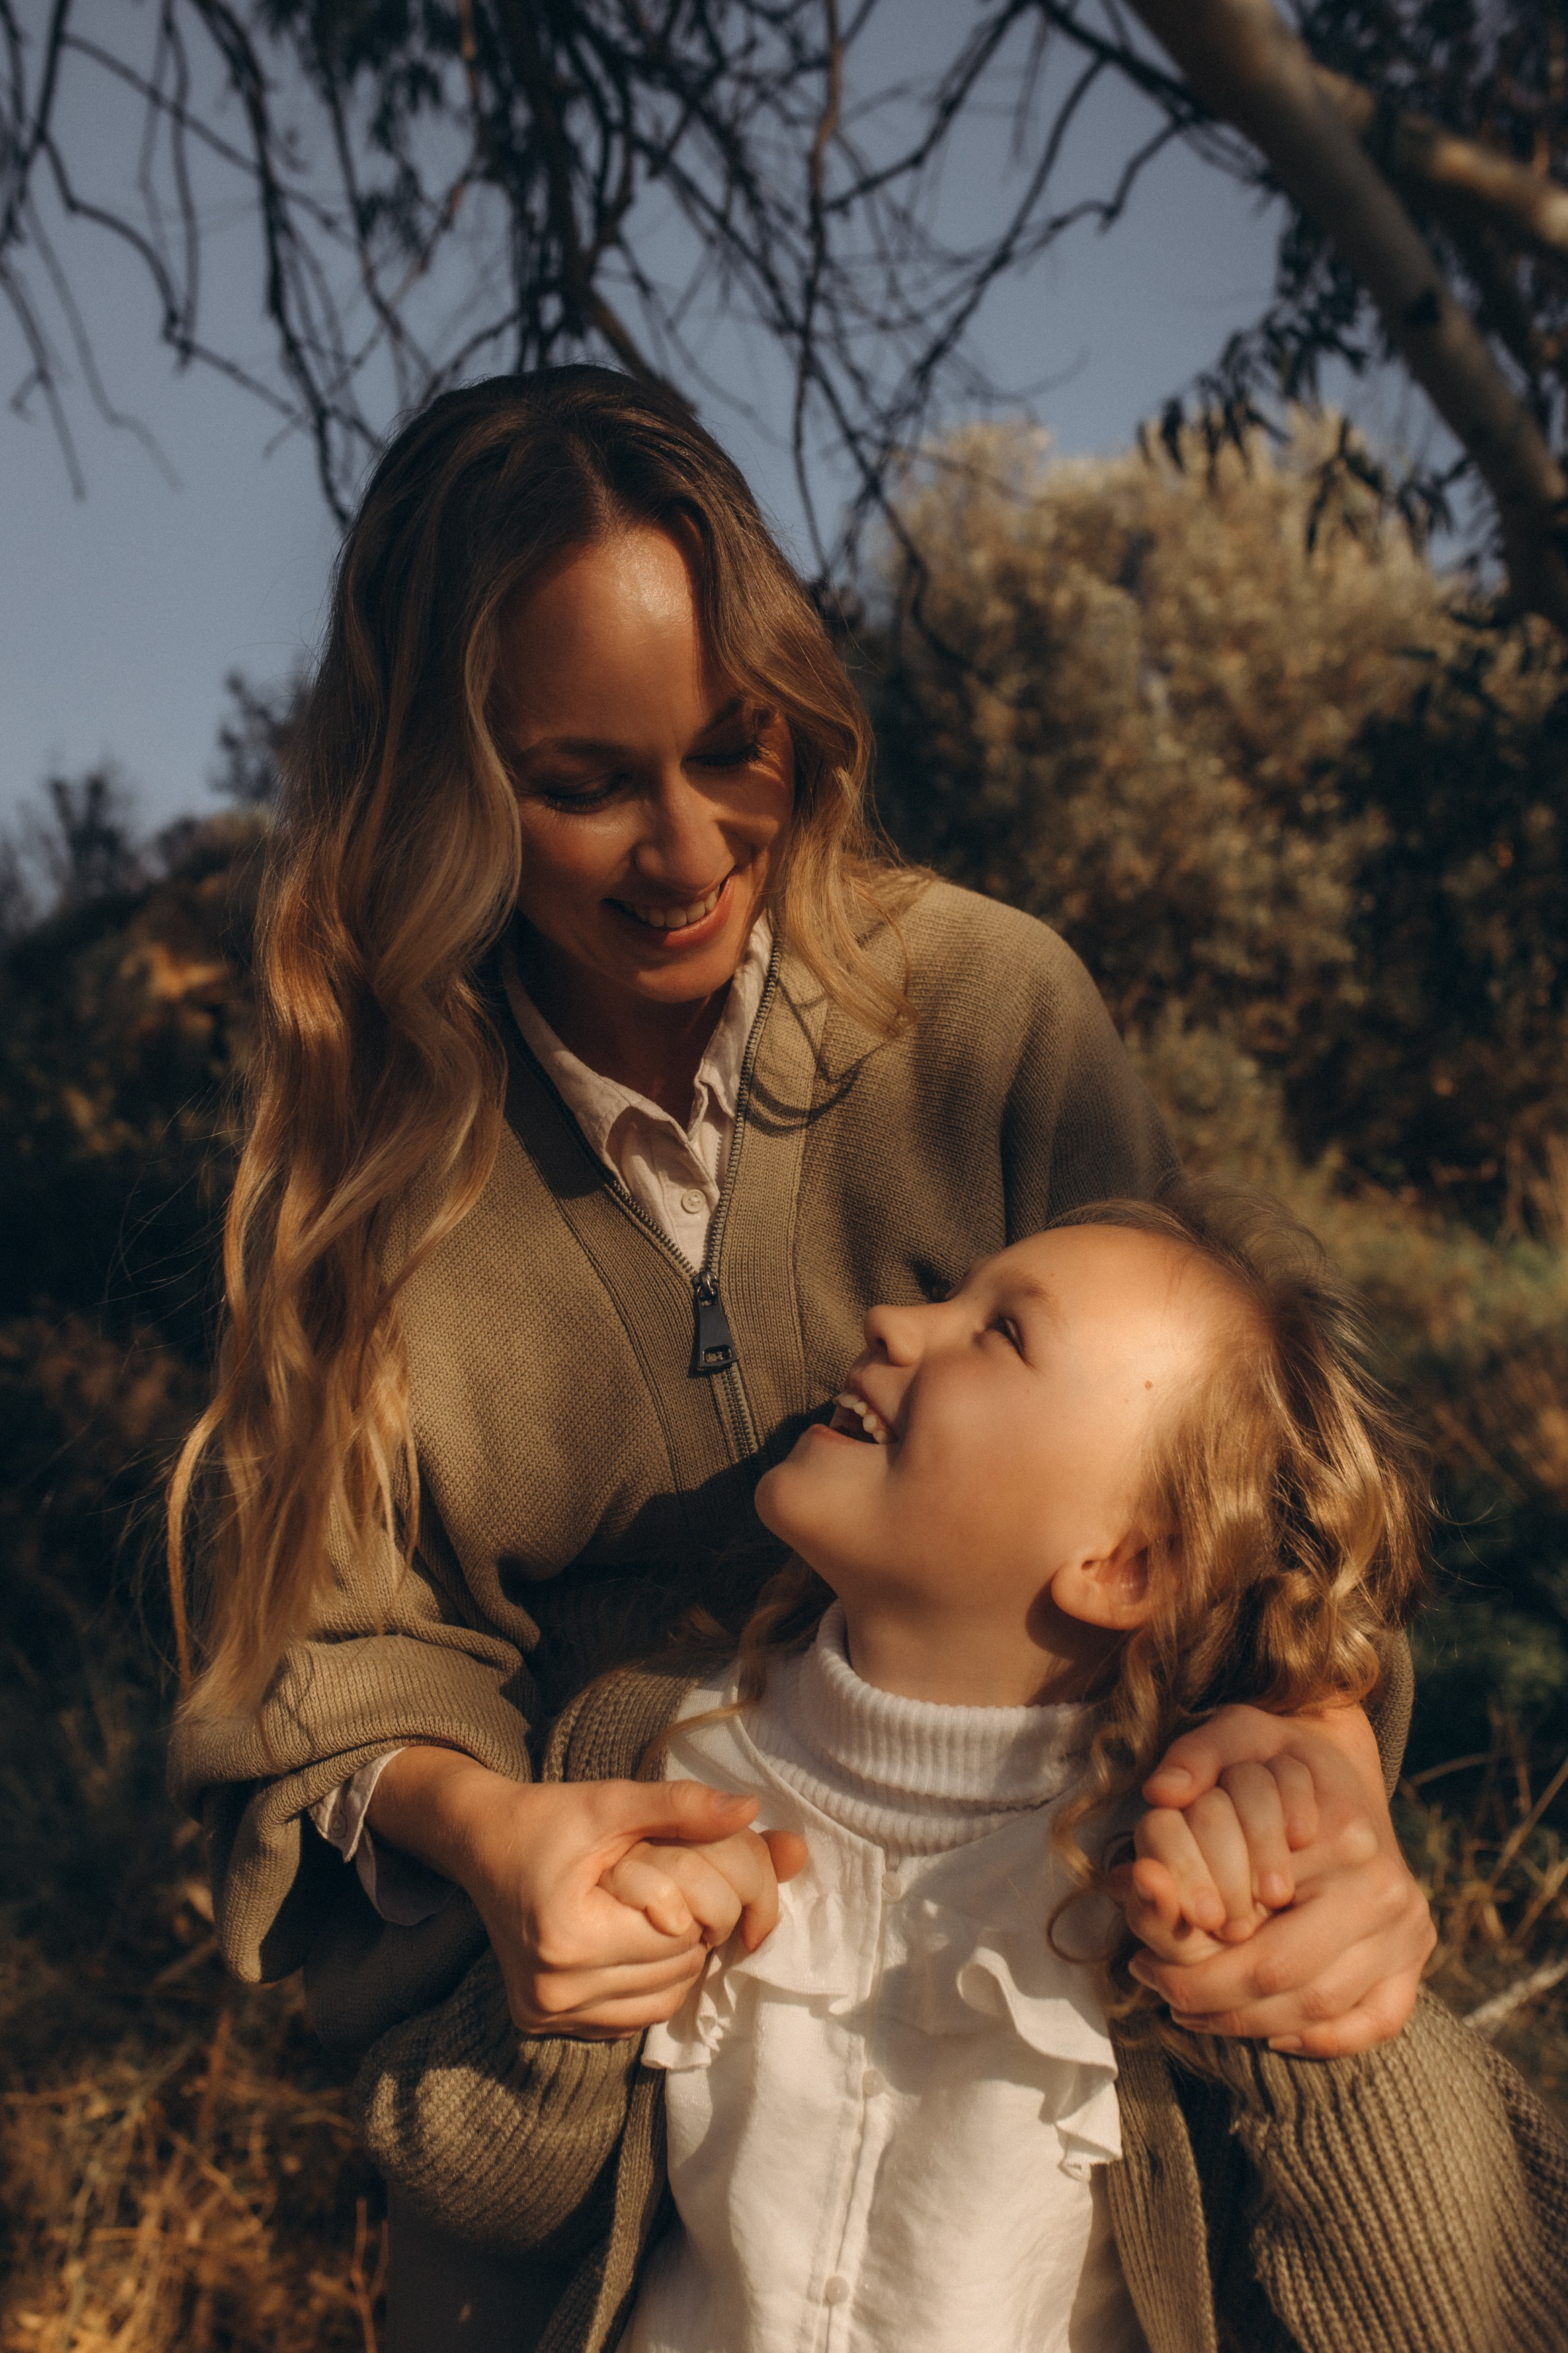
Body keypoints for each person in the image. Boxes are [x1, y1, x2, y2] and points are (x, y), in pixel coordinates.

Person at [166, 368, 1434, 2340]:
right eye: (581, 780)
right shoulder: (359, 1167)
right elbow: (315, 1657)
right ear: (433, 783)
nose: (688, 848)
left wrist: (1317, 1763)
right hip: (582, 2050)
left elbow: (1205, 1468)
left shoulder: (990, 1012)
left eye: (733, 747)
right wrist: (493, 1836)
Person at [359, 1191, 1568, 2353]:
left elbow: (1461, 2316)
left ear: (1126, 1563)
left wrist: (1313, 2046)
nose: (892, 1322)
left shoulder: (1191, 1874)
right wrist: (565, 2019)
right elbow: (483, 2203)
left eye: (1001, 1332)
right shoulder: (647, 1752)